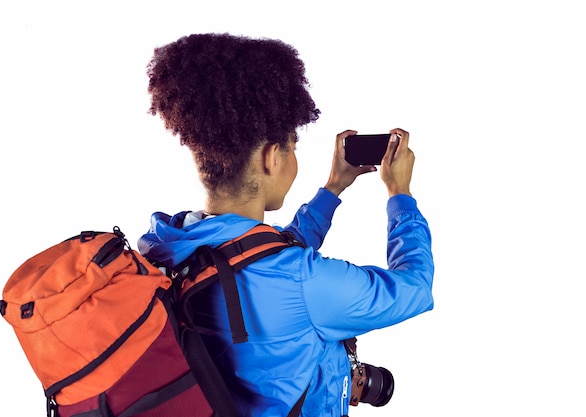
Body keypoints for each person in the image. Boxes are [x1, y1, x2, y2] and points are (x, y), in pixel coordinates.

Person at [138, 33, 434, 417]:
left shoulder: (171, 246)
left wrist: (333, 188)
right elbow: (416, 289)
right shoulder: (302, 283)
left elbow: (256, 257)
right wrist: (400, 195)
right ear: (271, 157)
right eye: (292, 146)